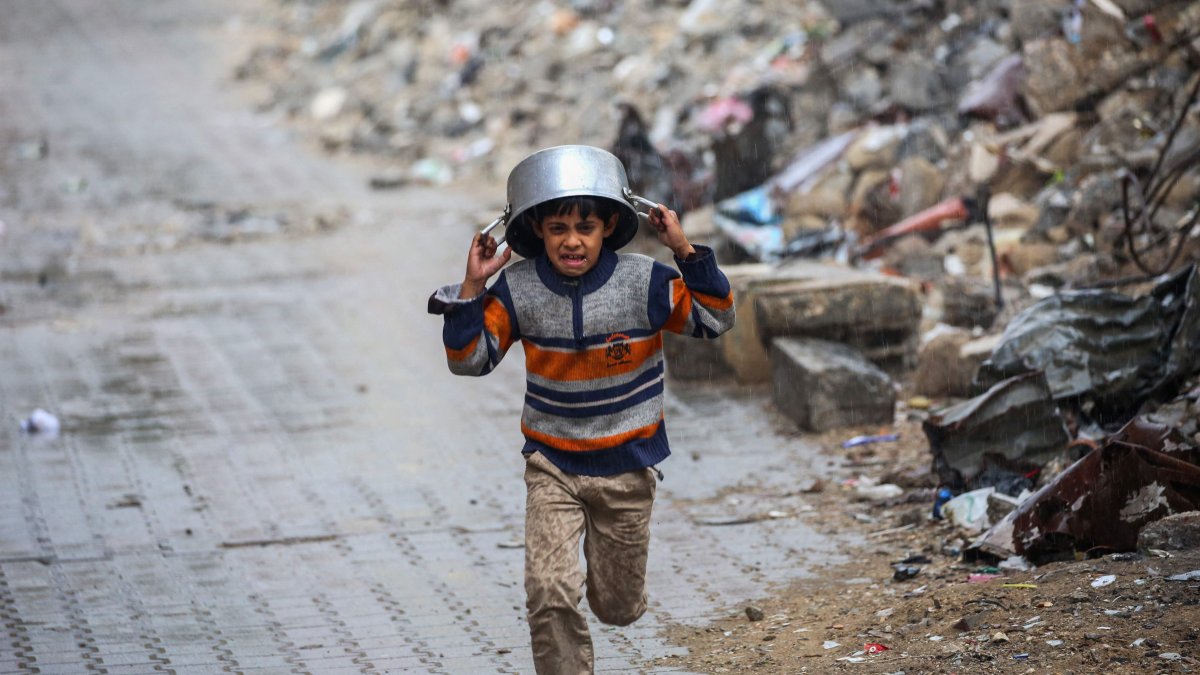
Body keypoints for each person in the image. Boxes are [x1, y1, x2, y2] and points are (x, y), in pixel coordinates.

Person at [428, 153, 735, 674]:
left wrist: (682, 248)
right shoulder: (518, 290)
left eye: (585, 227)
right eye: (558, 228)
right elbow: (469, 360)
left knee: (616, 608)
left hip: (627, 467)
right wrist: (472, 288)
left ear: (609, 225)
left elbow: (715, 318)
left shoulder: (644, 282)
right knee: (548, 589)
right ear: (537, 231)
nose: (572, 240)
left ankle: (611, 581)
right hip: (553, 466)